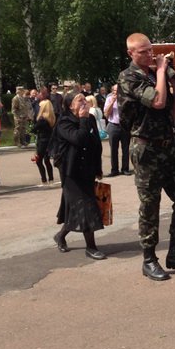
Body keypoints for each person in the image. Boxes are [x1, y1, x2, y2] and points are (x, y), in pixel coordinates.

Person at [117, 33, 175, 281]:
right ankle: (149, 259)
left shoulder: (157, 76)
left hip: (168, 147)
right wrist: (163, 71)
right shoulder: (129, 77)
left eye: (150, 50)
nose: (150, 55)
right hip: (146, 149)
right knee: (150, 205)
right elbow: (157, 101)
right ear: (131, 53)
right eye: (143, 51)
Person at [51, 93, 107, 259]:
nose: (84, 102)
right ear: (70, 106)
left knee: (77, 209)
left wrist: (98, 168)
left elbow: (96, 145)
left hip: (87, 170)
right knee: (86, 208)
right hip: (72, 173)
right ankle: (91, 247)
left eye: (85, 99)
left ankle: (60, 236)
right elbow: (79, 139)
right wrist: (83, 120)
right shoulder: (64, 122)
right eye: (80, 100)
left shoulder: (90, 119)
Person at [103, 84, 131, 177]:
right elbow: (106, 114)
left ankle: (125, 169)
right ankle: (114, 170)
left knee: (125, 148)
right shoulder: (109, 99)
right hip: (113, 125)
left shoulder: (126, 98)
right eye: (116, 90)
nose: (118, 92)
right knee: (113, 149)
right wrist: (112, 102)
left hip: (124, 126)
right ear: (112, 91)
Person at [32, 99, 56, 184]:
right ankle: (51, 179)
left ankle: (44, 179)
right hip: (49, 141)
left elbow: (34, 129)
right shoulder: (52, 118)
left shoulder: (42, 120)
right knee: (47, 160)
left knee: (39, 161)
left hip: (42, 142)